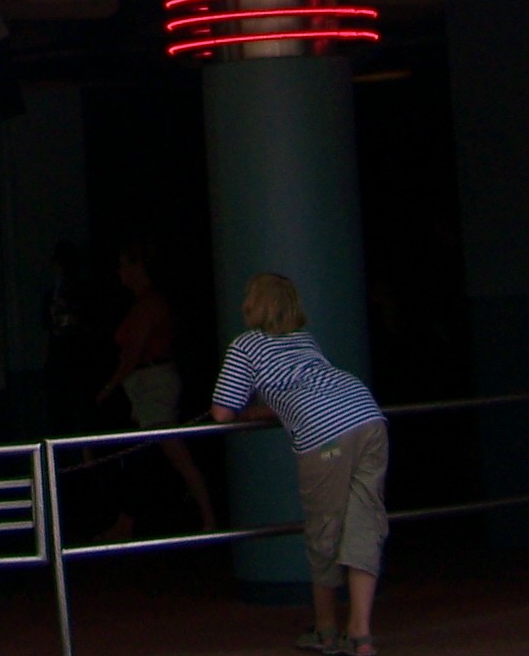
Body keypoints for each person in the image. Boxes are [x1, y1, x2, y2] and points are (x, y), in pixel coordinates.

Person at [210, 273, 388, 656]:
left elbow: (222, 412)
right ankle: (361, 635)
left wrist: (247, 416)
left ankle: (325, 630)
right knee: (363, 524)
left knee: (325, 532)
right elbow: (303, 389)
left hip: (325, 437)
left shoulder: (245, 346)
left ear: (253, 304)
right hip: (368, 417)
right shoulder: (304, 339)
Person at [98, 242, 215, 531]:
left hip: (154, 383)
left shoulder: (150, 304)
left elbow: (134, 352)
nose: (120, 272)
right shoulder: (140, 304)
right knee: (147, 453)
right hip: (142, 385)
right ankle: (130, 518)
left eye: (126, 264)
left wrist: (109, 387)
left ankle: (207, 516)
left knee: (172, 451)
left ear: (139, 267)